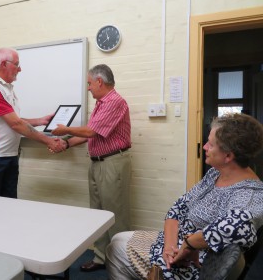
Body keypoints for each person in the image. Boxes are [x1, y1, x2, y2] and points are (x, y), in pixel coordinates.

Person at [105, 113, 263, 280]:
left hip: (193, 265)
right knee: (118, 238)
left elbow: (238, 226)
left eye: (211, 144)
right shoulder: (215, 174)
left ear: (228, 156)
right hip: (178, 243)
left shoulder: (251, 195)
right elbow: (177, 208)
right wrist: (169, 246)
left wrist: (189, 244)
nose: (205, 147)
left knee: (115, 249)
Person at [51, 64, 131, 272]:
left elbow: (90, 132)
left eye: (89, 83)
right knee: (98, 214)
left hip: (112, 163)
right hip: (97, 162)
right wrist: (67, 143)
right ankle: (101, 257)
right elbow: (89, 133)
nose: (88, 88)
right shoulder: (101, 103)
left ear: (99, 82)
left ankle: (121, 263)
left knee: (115, 214)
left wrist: (64, 130)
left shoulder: (115, 101)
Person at [0, 47, 65, 198]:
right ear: (4, 64)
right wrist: (49, 141)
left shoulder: (7, 88)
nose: (20, 69)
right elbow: (15, 124)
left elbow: (12, 120)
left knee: (9, 206)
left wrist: (40, 121)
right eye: (17, 64)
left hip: (9, 156)